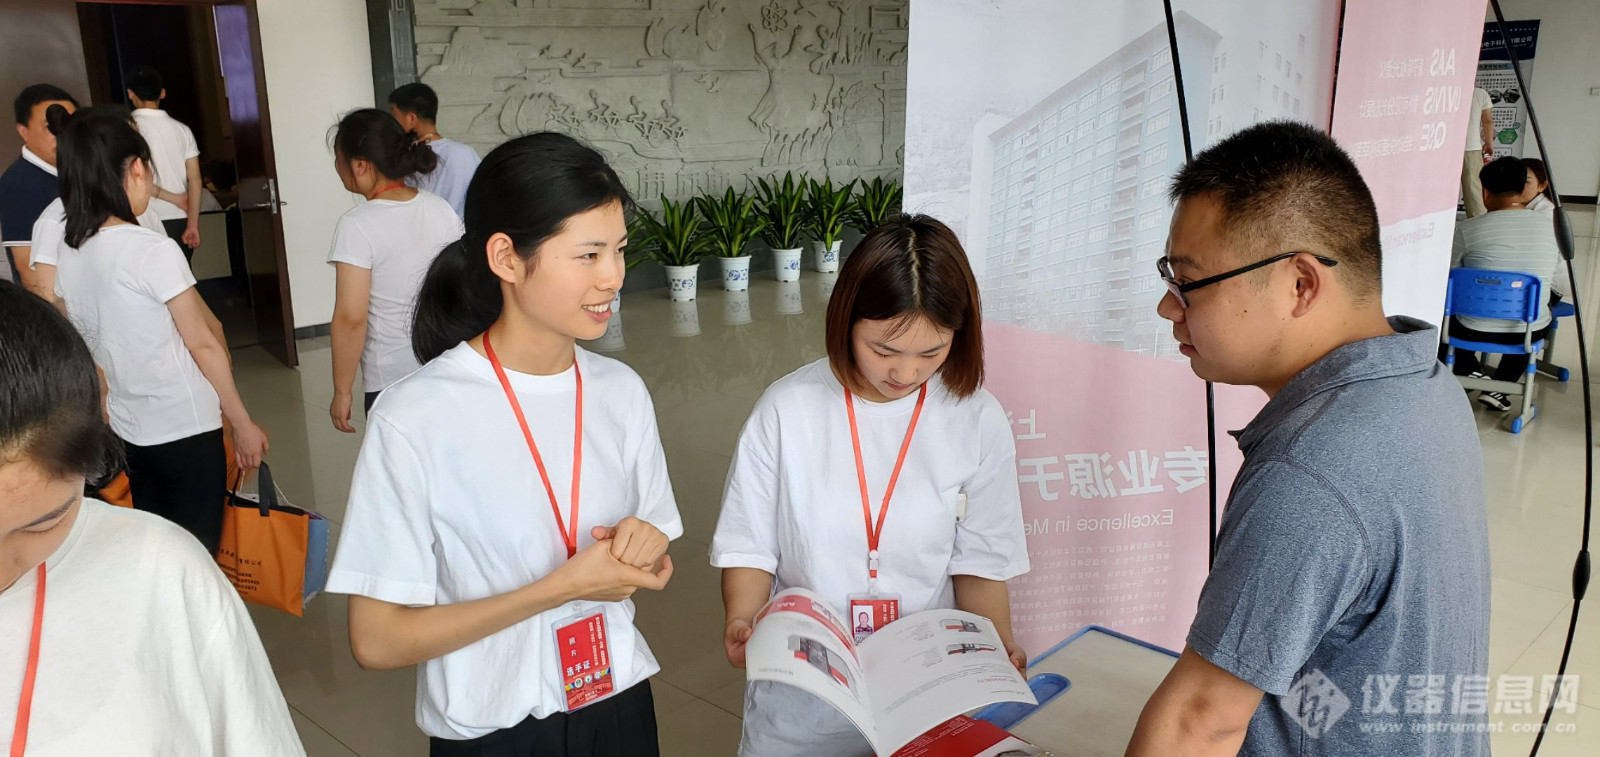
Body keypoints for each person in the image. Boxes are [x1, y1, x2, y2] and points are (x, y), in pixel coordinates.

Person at [1126, 121, 1489, 756]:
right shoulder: (1423, 384)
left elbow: (1200, 722)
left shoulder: (1311, 472)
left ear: (1300, 283)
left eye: (1187, 282)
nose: (1167, 308)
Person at [325, 132, 681, 756]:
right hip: (496, 733)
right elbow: (376, 640)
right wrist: (563, 587)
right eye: (589, 255)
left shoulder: (621, 392)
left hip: (618, 708)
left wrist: (644, 550)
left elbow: (648, 550)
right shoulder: (417, 417)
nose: (614, 278)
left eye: (620, 251)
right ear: (506, 258)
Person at [712, 214, 1030, 757]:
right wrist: (743, 616)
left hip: (925, 689)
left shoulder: (975, 417)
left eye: (932, 352)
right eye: (884, 349)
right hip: (807, 692)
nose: (905, 373)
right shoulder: (788, 409)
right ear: (846, 320)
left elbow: (981, 558)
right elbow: (749, 541)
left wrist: (992, 642)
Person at [0, 280, 304, 756]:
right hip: (175, 430)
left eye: (43, 523)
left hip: (145, 437)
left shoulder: (161, 570)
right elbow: (209, 335)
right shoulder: (149, 251)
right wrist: (239, 418)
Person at [47, 105, 268, 554]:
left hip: (131, 430)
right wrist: (241, 422)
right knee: (200, 551)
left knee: (161, 546)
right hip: (185, 425)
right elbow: (203, 343)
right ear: (134, 169)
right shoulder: (151, 250)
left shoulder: (70, 250)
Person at [326, 108, 461, 431]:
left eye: (339, 159)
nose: (337, 167)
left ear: (360, 165)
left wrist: (342, 390)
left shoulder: (357, 225)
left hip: (392, 379)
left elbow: (351, 318)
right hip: (448, 364)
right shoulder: (439, 208)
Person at [1443, 155, 1563, 411]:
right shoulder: (1552, 227)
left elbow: (1450, 275)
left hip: (1470, 327)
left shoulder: (1467, 229)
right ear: (1523, 189)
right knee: (1531, 314)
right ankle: (1499, 387)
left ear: (1484, 191)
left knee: (1439, 319)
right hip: (1529, 328)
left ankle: (1471, 371)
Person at [0, 84, 77, 287]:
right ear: (23, 131)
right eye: (50, 126)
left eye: (69, 123)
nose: (63, 133)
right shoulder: (18, 185)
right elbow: (28, 270)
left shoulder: (79, 169)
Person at [126, 65, 204, 260]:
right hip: (180, 219)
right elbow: (195, 180)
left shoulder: (126, 130)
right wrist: (192, 225)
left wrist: (173, 198)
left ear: (131, 94)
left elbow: (131, 176)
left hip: (142, 217)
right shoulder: (182, 130)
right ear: (162, 93)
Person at [389, 82, 481, 217]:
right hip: (466, 235)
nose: (391, 121)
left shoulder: (405, 157)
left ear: (411, 119)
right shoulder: (467, 153)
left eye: (394, 114)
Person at [1461, 86, 1493, 218]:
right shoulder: (1480, 93)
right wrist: (1489, 143)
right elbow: (1488, 121)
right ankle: (1477, 220)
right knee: (1473, 187)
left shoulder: (1447, 89)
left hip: (1445, 146)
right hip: (1471, 146)